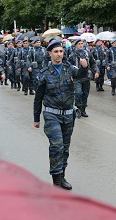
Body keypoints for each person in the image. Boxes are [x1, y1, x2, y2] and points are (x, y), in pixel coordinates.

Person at [33, 40, 88, 190]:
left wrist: (84, 67)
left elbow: (81, 76)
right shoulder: (44, 74)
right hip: (52, 115)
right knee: (56, 146)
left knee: (64, 148)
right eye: (56, 52)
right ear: (50, 53)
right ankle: (56, 181)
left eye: (61, 51)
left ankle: (62, 176)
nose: (59, 54)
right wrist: (36, 118)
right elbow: (38, 97)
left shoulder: (69, 69)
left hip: (68, 115)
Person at [67, 38, 99, 117]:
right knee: (78, 93)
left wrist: (96, 71)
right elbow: (68, 66)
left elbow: (93, 63)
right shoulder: (72, 55)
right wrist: (70, 75)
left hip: (86, 77)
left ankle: (83, 110)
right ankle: (78, 109)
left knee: (85, 94)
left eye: (82, 43)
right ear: (76, 45)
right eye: (79, 44)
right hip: (77, 78)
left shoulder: (88, 54)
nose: (81, 45)